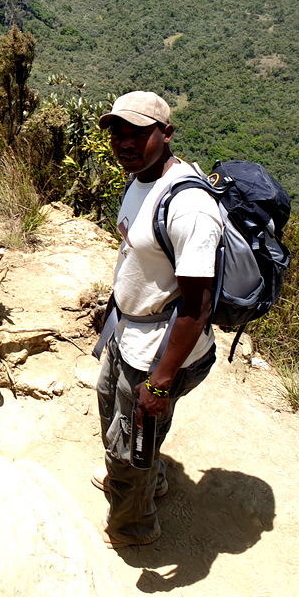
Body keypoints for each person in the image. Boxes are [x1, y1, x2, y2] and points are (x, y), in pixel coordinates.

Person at [93, 91, 222, 548]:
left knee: (132, 446)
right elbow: (136, 253)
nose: (125, 144)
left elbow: (198, 305)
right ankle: (146, 480)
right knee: (115, 413)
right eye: (118, 134)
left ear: (165, 134)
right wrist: (114, 307)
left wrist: (162, 382)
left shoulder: (189, 208)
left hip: (156, 352)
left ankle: (134, 526)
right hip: (127, 331)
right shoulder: (139, 179)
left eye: (138, 134)